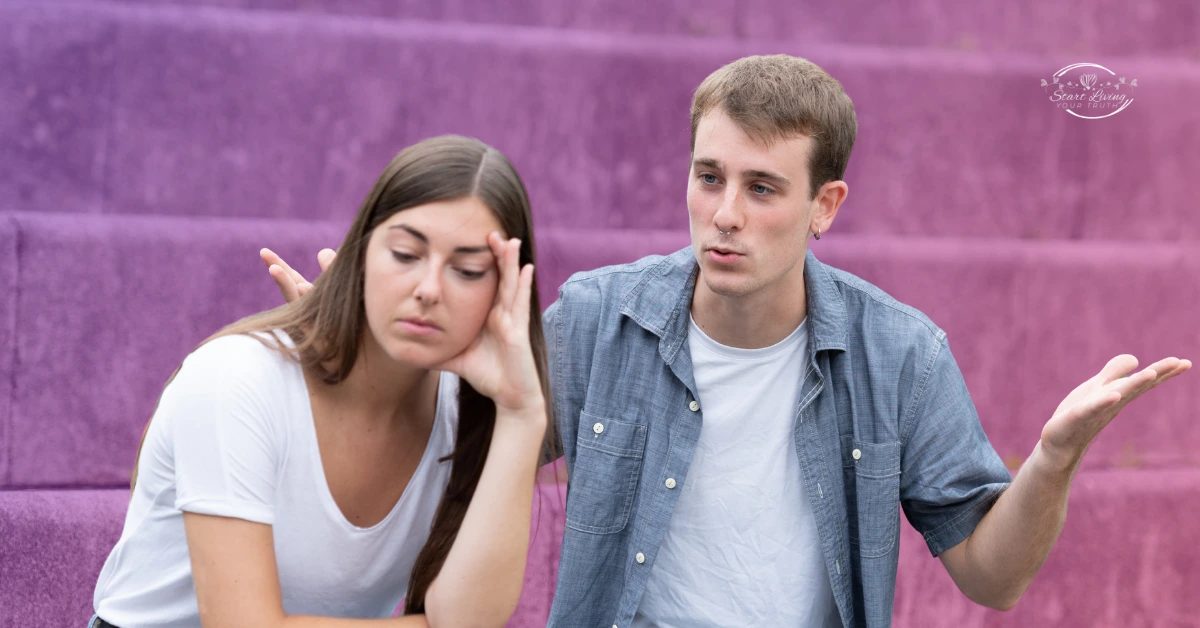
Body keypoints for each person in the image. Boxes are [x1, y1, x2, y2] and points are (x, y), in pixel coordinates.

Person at [263, 56, 1190, 628]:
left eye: (762, 187)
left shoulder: (898, 355)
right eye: (709, 176)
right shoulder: (600, 317)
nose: (724, 216)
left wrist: (1055, 456)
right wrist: (366, 358)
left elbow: (992, 579)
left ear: (826, 206)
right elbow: (458, 442)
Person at [92, 135, 556, 628]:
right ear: (362, 254)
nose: (428, 290)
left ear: (505, 290)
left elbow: (467, 618)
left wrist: (522, 413)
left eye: (466, 270)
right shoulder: (236, 378)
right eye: (404, 254)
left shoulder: (467, 415)